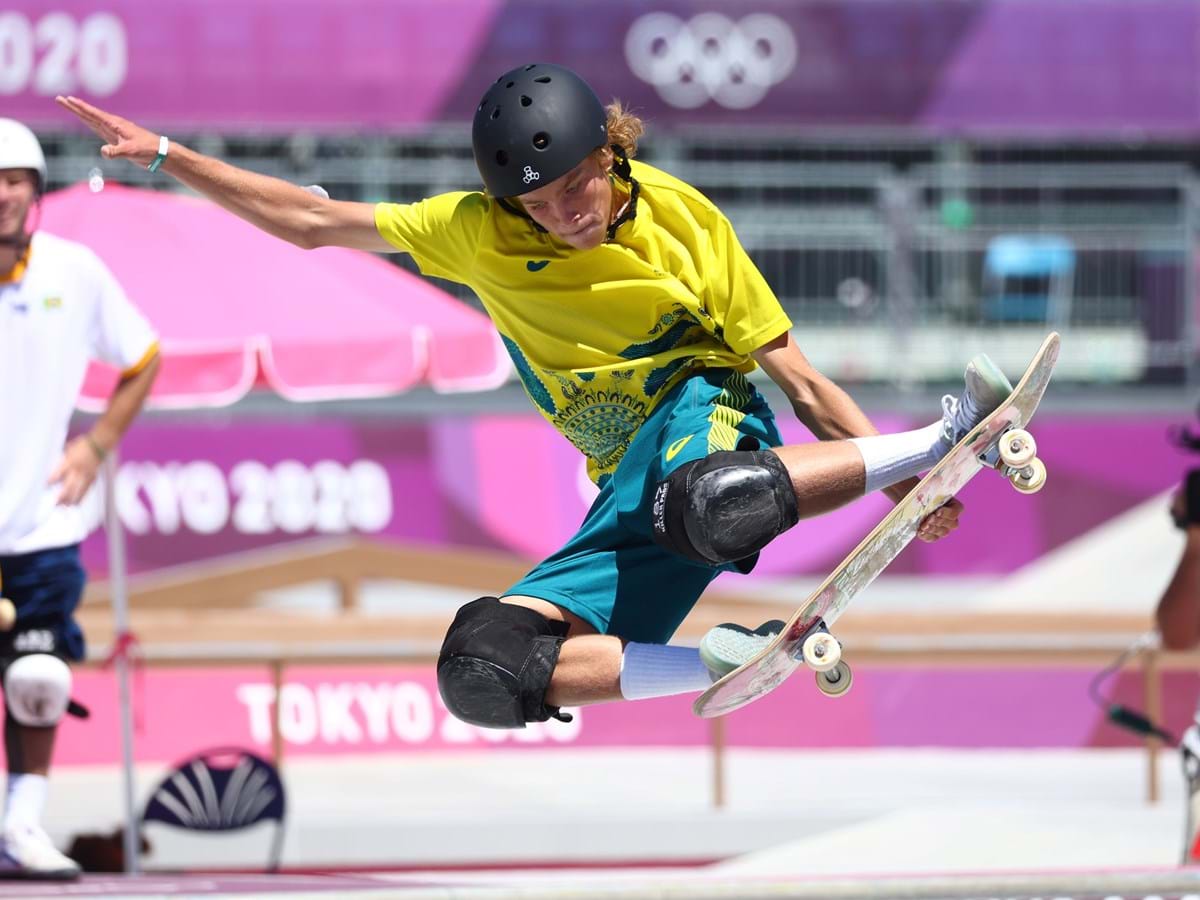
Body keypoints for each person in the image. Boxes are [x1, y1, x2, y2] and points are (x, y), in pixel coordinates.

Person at [57, 62, 1011, 732]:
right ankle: (727, 659)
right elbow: (312, 221)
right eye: (541, 201)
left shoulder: (686, 225)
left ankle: (943, 425)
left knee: (709, 504)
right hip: (621, 487)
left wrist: (912, 471)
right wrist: (166, 155)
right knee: (483, 664)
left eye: (581, 182)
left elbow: (796, 376)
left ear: (612, 151)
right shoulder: (471, 231)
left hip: (704, 421)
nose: (568, 211)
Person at [0, 119, 160, 878]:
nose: (2, 195)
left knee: (38, 679)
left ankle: (20, 826)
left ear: (34, 191)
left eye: (15, 180)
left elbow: (143, 357)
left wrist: (95, 446)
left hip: (42, 527)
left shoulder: (74, 270)